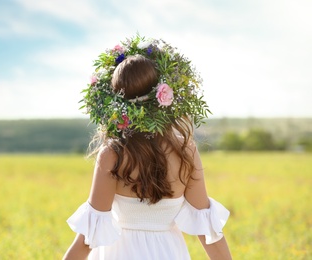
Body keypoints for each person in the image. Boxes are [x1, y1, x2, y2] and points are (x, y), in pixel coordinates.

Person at [63, 35, 232, 260]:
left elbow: (87, 240)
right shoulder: (186, 151)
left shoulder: (112, 155)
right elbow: (208, 231)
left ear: (117, 101)